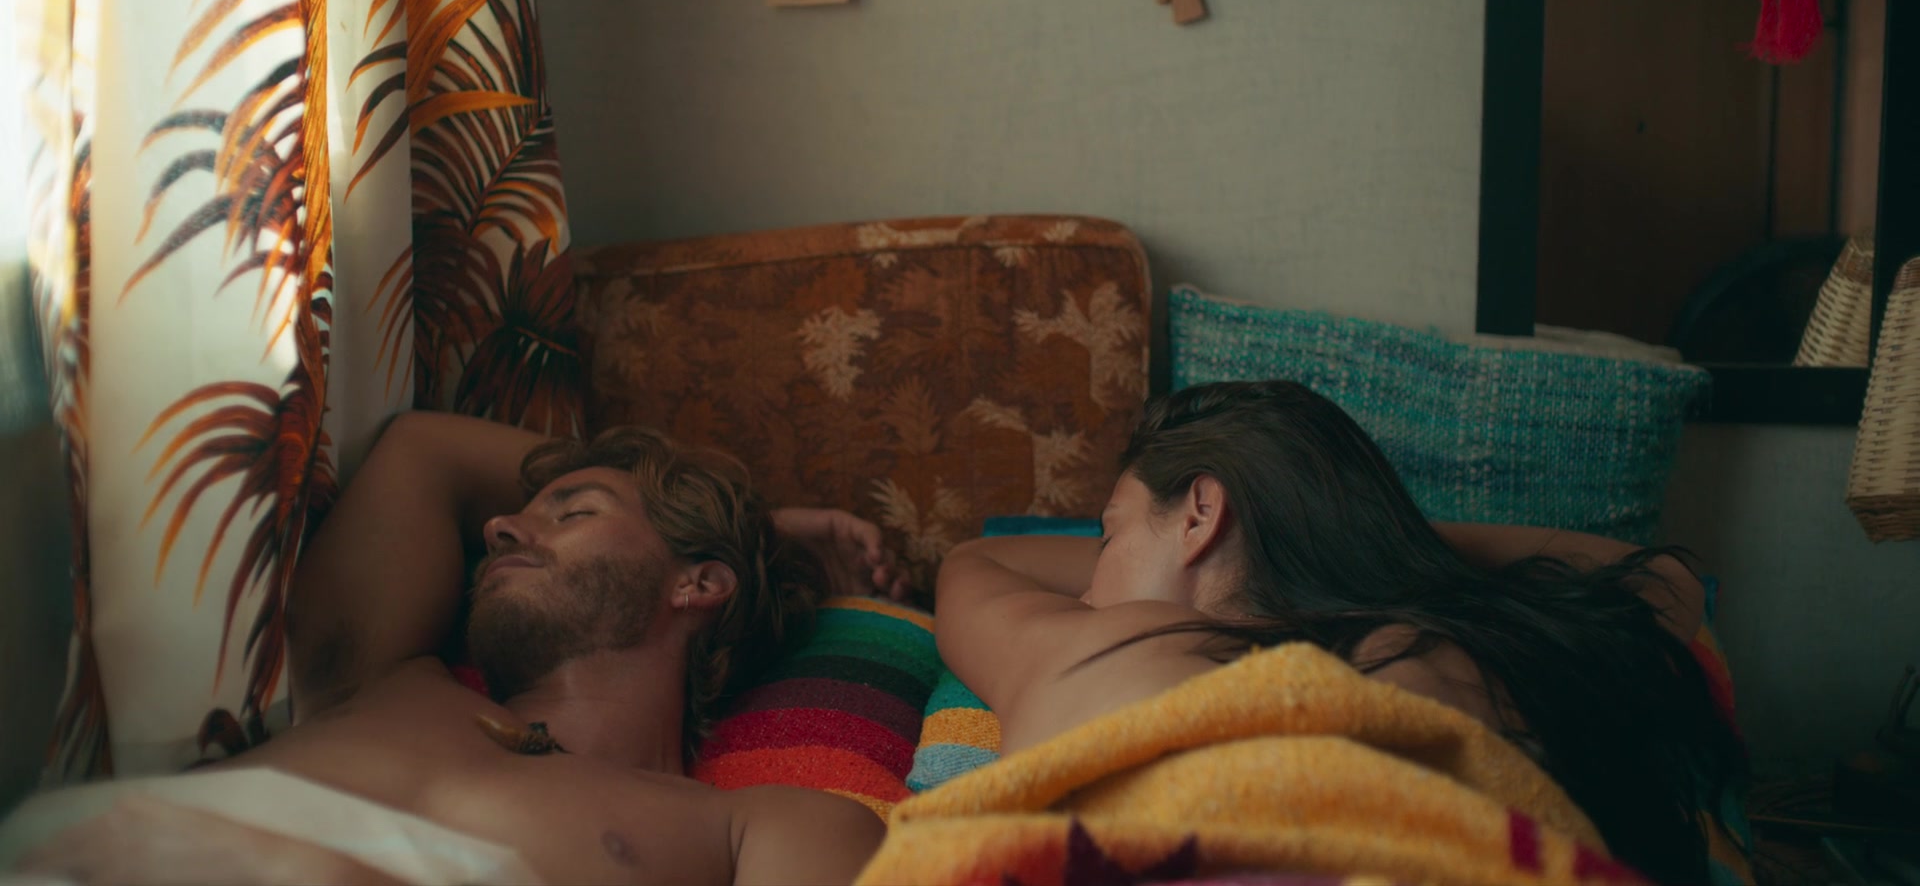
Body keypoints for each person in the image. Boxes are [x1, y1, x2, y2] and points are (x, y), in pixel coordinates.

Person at [9, 411, 905, 885]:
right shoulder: (384, 682)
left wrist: (737, 536)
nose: (501, 527)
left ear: (700, 586)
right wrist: (761, 520)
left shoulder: (751, 829)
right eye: (515, 518)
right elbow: (422, 450)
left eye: (574, 511)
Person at [935, 379, 1744, 886]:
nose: (1086, 588)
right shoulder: (1492, 645)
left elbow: (974, 562)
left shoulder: (1117, 650)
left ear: (1201, 514)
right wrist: (1377, 534)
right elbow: (1656, 576)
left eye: (1107, 536)